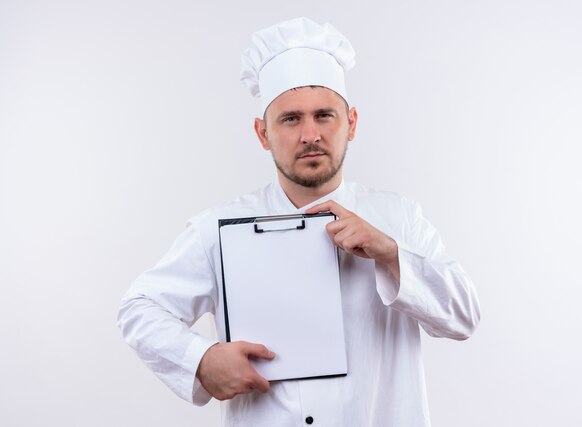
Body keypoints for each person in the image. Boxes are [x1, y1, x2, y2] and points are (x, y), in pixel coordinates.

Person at [118, 17, 480, 427]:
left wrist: (391, 254)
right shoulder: (218, 228)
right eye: (290, 119)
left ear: (352, 124)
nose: (310, 134)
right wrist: (200, 360)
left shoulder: (399, 218)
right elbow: (139, 308)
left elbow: (464, 316)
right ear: (262, 133)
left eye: (325, 115)